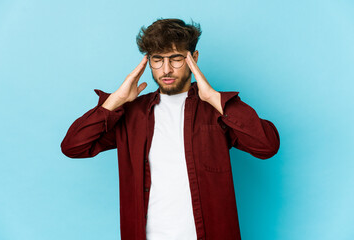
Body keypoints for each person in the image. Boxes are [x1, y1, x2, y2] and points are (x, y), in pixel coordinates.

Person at [61, 18, 280, 240]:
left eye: (176, 59)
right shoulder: (131, 113)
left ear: (193, 58)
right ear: (148, 62)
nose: (166, 69)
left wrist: (214, 98)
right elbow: (73, 147)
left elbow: (267, 146)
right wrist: (115, 101)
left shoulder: (215, 110)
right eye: (157, 60)